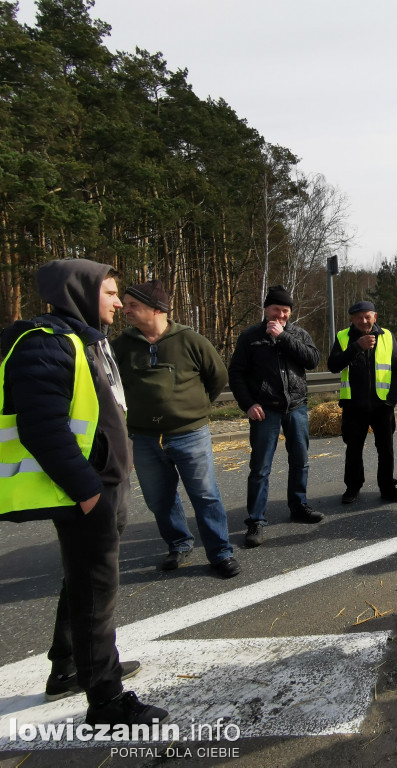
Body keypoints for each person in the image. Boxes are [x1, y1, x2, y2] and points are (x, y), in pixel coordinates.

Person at [0, 259, 166, 724]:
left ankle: (69, 667)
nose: (119, 302)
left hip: (101, 486)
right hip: (86, 492)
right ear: (79, 291)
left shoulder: (82, 339)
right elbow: (41, 428)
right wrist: (88, 490)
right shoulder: (46, 345)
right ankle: (106, 698)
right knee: (96, 590)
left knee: (82, 580)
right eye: (111, 293)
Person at [111, 280, 240, 578]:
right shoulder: (120, 346)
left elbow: (217, 377)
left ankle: (220, 553)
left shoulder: (190, 341)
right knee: (159, 498)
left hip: (190, 434)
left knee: (205, 495)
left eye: (133, 305)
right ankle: (179, 543)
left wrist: (194, 410)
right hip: (143, 438)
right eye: (125, 304)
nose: (125, 310)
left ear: (157, 310)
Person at [229, 285, 323, 548]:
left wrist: (283, 337)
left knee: (300, 460)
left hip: (296, 407)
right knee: (260, 467)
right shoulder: (250, 337)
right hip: (264, 410)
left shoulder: (298, 334)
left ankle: (298, 505)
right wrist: (247, 404)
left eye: (285, 311)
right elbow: (236, 374)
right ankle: (256, 520)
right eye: (276, 310)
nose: (281, 315)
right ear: (266, 309)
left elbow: (312, 360)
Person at [327, 300, 397, 504]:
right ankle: (353, 488)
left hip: (382, 406)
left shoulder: (387, 336)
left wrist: (393, 398)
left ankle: (388, 487)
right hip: (354, 405)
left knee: (386, 449)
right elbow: (333, 366)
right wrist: (356, 347)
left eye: (367, 316)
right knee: (353, 448)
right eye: (358, 317)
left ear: (375, 317)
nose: (363, 321)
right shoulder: (343, 337)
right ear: (352, 319)